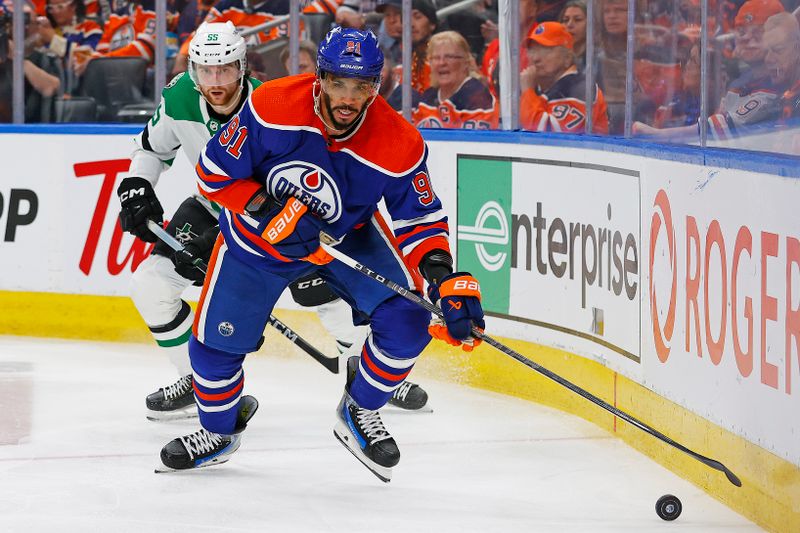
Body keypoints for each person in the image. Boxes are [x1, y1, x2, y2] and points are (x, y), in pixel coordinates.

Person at [158, 27, 485, 481]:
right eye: (338, 83)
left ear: (377, 86)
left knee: (409, 321)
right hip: (256, 240)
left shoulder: (399, 142)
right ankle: (219, 433)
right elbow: (214, 175)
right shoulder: (271, 106)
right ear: (320, 78)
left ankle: (359, 410)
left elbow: (421, 222)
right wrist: (268, 209)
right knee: (212, 351)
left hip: (345, 237)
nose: (348, 97)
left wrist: (443, 276)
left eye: (361, 86)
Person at [117, 21, 430, 424]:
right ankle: (196, 382)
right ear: (192, 70)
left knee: (325, 293)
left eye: (226, 69)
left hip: (292, 214)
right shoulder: (179, 97)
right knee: (150, 284)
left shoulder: (269, 101)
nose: (216, 81)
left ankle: (366, 370)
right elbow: (151, 149)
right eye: (206, 71)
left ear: (243, 66)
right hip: (222, 207)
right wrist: (137, 185)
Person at [520, 21, 609, 133]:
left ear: (567, 58)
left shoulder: (581, 89)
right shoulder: (539, 89)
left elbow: (546, 135)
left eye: (546, 50)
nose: (535, 58)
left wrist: (527, 92)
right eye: (532, 51)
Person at [413, 31, 498, 129]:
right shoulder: (427, 97)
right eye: (436, 58)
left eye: (449, 57)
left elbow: (474, 142)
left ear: (466, 62)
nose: (442, 63)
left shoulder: (478, 97)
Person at [559, 0, 586, 70]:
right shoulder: (557, 58)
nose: (569, 25)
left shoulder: (597, 59)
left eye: (577, 20)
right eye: (566, 20)